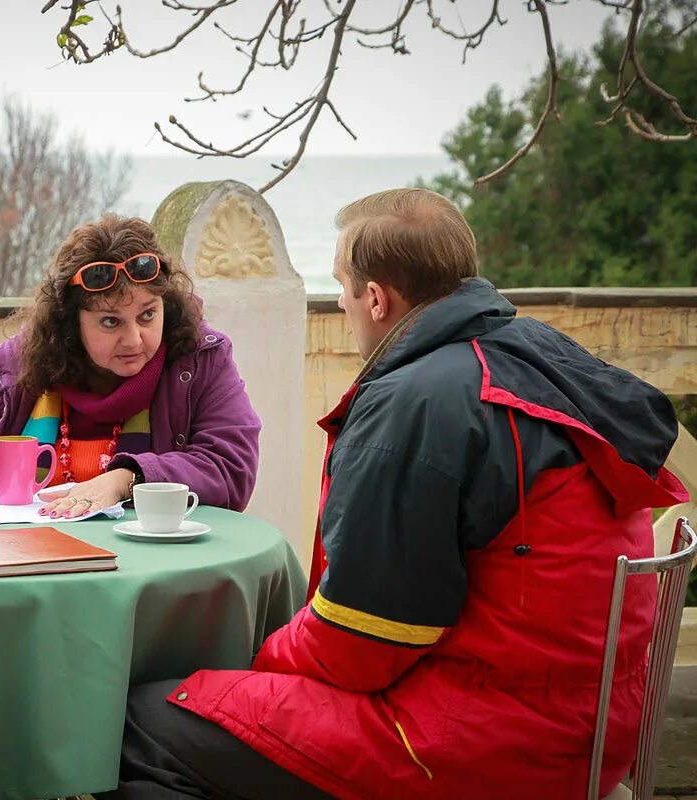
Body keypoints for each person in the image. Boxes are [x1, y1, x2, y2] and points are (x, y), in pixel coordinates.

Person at [99, 188, 689, 800]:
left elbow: (366, 641)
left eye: (343, 287)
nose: (345, 304)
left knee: (136, 724)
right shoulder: (541, 354)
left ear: (376, 298)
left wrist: (259, 658)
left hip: (476, 744)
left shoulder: (418, 405)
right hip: (589, 727)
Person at [0, 213, 260, 516]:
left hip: (157, 570)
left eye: (148, 314)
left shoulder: (202, 358)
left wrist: (127, 478)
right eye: (110, 321)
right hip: (23, 568)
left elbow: (232, 469)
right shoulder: (11, 371)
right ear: (70, 324)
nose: (134, 339)